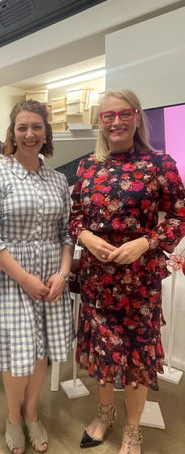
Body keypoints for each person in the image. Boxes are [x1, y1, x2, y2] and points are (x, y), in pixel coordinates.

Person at [69, 88, 185, 454]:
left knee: (136, 359)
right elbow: (74, 218)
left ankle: (133, 430)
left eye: (124, 113)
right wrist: (86, 236)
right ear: (100, 122)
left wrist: (146, 242)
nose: (116, 121)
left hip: (139, 284)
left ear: (136, 117)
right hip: (97, 282)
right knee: (103, 355)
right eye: (108, 115)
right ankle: (105, 416)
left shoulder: (160, 163)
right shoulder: (88, 167)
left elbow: (180, 216)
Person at [0, 99, 74, 454]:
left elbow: (66, 233)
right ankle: (13, 417)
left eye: (36, 127)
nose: (29, 134)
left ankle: (32, 413)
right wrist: (24, 278)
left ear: (46, 132)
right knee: (19, 351)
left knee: (40, 351)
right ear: (12, 133)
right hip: (10, 275)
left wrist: (63, 273)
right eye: (22, 127)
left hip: (51, 276)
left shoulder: (59, 180)